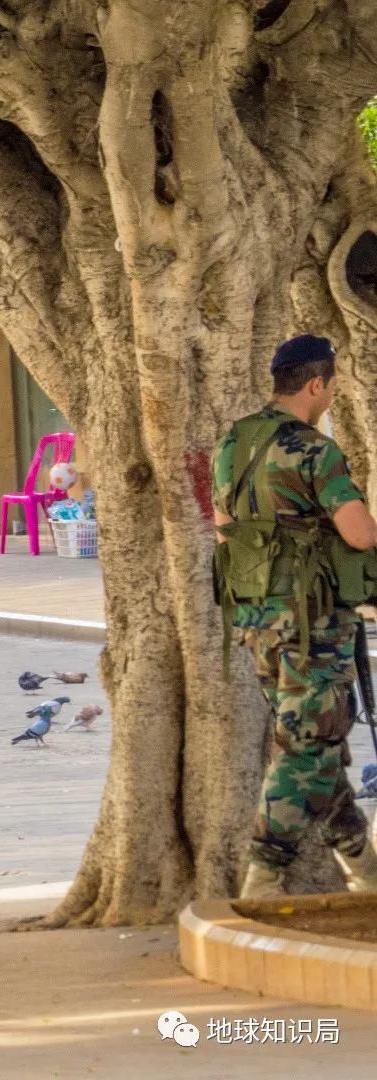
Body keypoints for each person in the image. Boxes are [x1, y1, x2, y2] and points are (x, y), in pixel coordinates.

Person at [213, 334, 377, 898]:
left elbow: (220, 521)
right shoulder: (315, 450)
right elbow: (358, 532)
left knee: (315, 740)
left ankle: (362, 865)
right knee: (308, 746)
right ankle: (264, 870)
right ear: (316, 384)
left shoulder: (235, 440)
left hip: (257, 616)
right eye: (332, 385)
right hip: (314, 623)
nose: (332, 394)